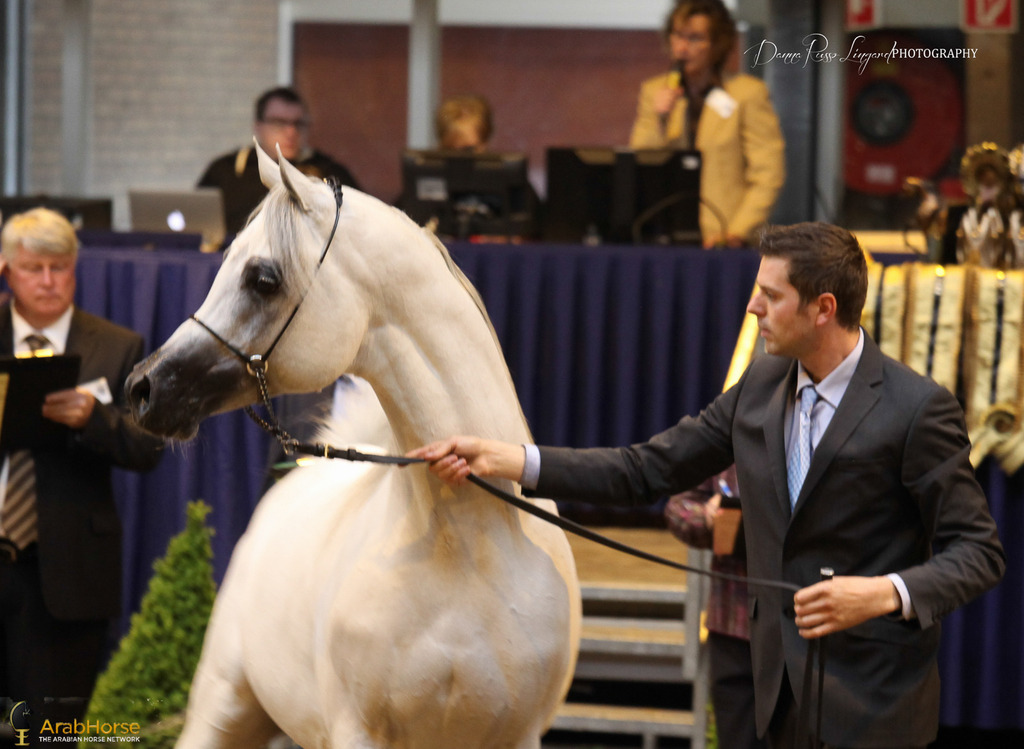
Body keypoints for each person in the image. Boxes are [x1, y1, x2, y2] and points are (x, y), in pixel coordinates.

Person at [409, 221, 1006, 748]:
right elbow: (645, 468)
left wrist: (882, 594)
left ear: (823, 308)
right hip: (770, 691)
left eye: (770, 296)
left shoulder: (917, 408)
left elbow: (978, 552)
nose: (751, 308)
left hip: (876, 703)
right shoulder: (761, 384)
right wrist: (511, 459)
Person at [0, 208, 165, 740]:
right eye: (33, 269)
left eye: (60, 267)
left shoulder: (117, 346)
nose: (48, 281)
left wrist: (95, 419)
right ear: (7, 271)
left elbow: (149, 448)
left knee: (52, 731)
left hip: (68, 572)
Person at [629, 0, 785, 248]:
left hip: (725, 238)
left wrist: (736, 232)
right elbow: (639, 162)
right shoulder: (654, 93)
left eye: (695, 38)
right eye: (678, 36)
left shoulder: (747, 94)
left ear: (717, 45)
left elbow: (768, 174)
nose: (682, 47)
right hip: (664, 236)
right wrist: (660, 119)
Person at [665, 466, 766, 749]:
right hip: (732, 626)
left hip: (796, 628)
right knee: (736, 738)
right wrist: (706, 517)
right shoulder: (727, 441)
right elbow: (677, 508)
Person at [197, 86, 362, 235]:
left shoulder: (328, 172)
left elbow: (357, 223)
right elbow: (196, 222)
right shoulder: (226, 170)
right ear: (258, 127)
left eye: (298, 123)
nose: (291, 132)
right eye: (279, 122)